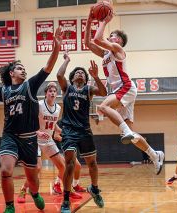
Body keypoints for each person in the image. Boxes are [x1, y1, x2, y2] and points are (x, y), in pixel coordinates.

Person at [0, 27, 62, 213]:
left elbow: (48, 67)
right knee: (6, 170)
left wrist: (56, 47)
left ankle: (35, 194)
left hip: (29, 139)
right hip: (10, 136)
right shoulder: (3, 91)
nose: (24, 70)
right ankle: (9, 206)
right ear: (11, 73)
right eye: (20, 68)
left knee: (33, 179)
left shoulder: (30, 86)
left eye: (24, 69)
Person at [84, 7, 164, 175]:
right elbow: (88, 43)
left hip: (125, 87)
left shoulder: (118, 50)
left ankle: (126, 132)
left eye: (112, 35)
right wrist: (90, 20)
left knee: (103, 108)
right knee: (132, 136)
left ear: (118, 40)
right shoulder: (106, 54)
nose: (109, 36)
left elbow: (97, 38)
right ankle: (154, 154)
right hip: (120, 90)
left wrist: (104, 21)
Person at [16, 82, 85, 204]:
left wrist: (62, 132)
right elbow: (28, 122)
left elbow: (53, 125)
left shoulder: (58, 108)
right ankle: (23, 189)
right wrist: (38, 132)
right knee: (37, 168)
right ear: (46, 93)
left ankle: (67, 190)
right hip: (35, 139)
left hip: (48, 140)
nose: (52, 93)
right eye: (50, 91)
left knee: (63, 166)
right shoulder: (39, 105)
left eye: (54, 91)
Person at [57, 51, 107, 213]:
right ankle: (65, 199)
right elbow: (59, 74)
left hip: (85, 131)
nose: (80, 73)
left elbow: (104, 93)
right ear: (72, 78)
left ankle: (95, 189)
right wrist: (67, 60)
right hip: (69, 131)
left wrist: (96, 76)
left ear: (86, 79)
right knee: (70, 164)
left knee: (92, 163)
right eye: (77, 72)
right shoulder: (66, 88)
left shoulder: (89, 90)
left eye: (83, 73)